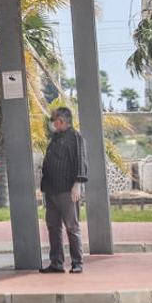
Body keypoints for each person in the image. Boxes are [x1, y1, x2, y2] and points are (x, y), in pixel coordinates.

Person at [39, 107, 88, 274]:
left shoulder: (75, 137)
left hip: (67, 190)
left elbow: (81, 161)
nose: (54, 123)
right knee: (53, 226)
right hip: (51, 190)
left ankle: (77, 263)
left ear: (62, 121)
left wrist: (78, 184)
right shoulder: (55, 137)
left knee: (71, 227)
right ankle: (56, 263)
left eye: (56, 121)